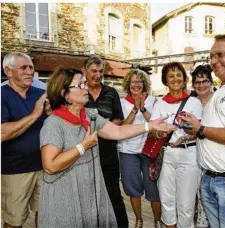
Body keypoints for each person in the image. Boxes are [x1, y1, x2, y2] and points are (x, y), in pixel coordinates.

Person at [38, 67, 176, 228]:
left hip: (87, 193)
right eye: (80, 85)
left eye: (85, 84)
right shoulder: (53, 123)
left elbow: (118, 131)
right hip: (65, 195)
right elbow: (50, 166)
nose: (86, 88)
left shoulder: (90, 116)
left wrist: (149, 126)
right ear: (64, 94)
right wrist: (83, 147)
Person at [182, 34, 225, 228]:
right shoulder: (222, 89)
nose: (214, 61)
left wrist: (201, 128)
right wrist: (196, 125)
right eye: (211, 56)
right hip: (210, 179)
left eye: (220, 54)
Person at [151, 62, 203, 228]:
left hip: (188, 155)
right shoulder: (159, 104)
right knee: (167, 201)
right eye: (171, 75)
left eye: (179, 75)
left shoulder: (194, 102)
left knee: (186, 205)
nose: (175, 79)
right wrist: (160, 132)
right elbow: (152, 131)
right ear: (165, 80)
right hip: (166, 155)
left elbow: (198, 131)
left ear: (184, 78)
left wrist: (185, 135)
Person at [1, 52, 48, 228]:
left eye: (31, 68)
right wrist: (35, 114)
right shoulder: (2, 95)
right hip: (15, 170)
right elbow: (2, 133)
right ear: (8, 70)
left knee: (45, 214)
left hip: (44, 167)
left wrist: (49, 114)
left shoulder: (41, 93)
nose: (30, 72)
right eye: (24, 68)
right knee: (14, 221)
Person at [83, 55, 128, 227]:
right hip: (84, 155)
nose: (97, 74)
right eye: (93, 71)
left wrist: (102, 131)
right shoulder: (77, 91)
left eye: (100, 71)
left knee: (113, 194)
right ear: (85, 71)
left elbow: (118, 119)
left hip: (108, 153)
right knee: (87, 196)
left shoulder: (111, 92)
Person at [117, 69, 161, 228]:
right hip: (128, 151)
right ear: (128, 84)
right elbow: (122, 127)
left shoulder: (154, 100)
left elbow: (156, 123)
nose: (136, 84)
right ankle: (139, 219)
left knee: (153, 188)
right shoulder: (122, 102)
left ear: (144, 84)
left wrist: (143, 109)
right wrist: (134, 110)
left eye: (139, 81)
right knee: (132, 187)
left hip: (149, 151)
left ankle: (157, 221)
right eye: (133, 81)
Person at [191, 64, 214, 228]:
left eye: (204, 81)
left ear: (211, 82)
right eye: (197, 82)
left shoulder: (219, 100)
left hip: (216, 154)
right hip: (194, 153)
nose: (201, 85)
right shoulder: (191, 103)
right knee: (196, 192)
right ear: (193, 85)